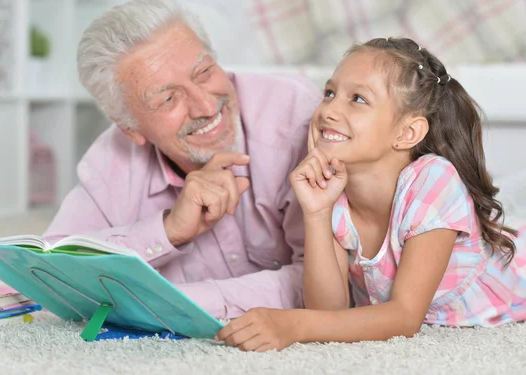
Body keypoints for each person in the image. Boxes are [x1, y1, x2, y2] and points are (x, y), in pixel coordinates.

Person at [216, 37, 526, 351]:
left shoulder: (433, 179)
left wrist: (292, 323)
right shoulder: (334, 191)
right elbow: (328, 313)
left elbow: (405, 317)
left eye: (358, 99)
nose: (329, 110)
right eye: (329, 93)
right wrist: (316, 212)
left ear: (407, 133)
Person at [43, 0, 323, 319]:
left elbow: (331, 284)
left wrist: (175, 303)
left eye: (203, 72)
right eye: (169, 98)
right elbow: (51, 272)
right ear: (131, 129)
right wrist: (167, 230)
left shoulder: (296, 117)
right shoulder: (111, 159)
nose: (205, 107)